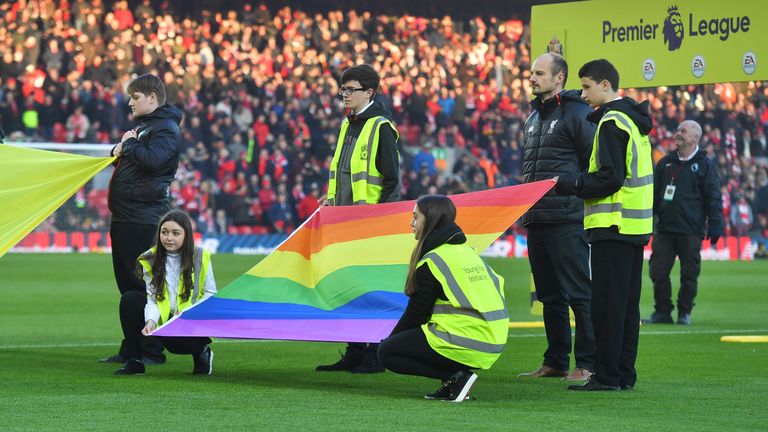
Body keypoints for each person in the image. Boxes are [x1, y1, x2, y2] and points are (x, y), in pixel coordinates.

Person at [556, 59, 654, 391]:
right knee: (626, 306)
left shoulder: (612, 122)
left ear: (605, 86)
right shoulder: (632, 121)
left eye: (586, 86)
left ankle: (608, 376)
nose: (582, 93)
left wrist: (572, 183)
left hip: (613, 224)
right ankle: (624, 373)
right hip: (634, 226)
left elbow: (609, 178)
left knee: (608, 306)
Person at [377, 195, 508, 401]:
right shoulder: (467, 252)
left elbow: (416, 313)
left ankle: (454, 378)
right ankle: (455, 381)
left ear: (429, 220)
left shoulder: (433, 260)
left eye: (415, 217)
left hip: (466, 339)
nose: (411, 223)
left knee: (387, 353)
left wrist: (390, 340)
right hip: (493, 340)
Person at [315, 64, 401, 374]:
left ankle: (376, 354)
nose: (344, 94)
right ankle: (354, 351)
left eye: (350, 89)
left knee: (371, 290)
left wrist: (386, 221)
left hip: (371, 226)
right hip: (344, 223)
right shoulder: (347, 124)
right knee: (349, 289)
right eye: (343, 89)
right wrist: (332, 199)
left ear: (369, 92)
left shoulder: (381, 127)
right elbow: (346, 175)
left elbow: (392, 180)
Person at [518, 53, 596, 381]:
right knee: (550, 296)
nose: (531, 78)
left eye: (539, 73)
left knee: (579, 294)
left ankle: (588, 363)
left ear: (559, 78)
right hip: (537, 219)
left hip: (566, 218)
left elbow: (592, 161)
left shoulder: (577, 113)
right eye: (531, 72)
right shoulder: (533, 118)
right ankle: (556, 361)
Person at [101, 73, 183, 365]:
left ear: (152, 98)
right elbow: (133, 155)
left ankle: (151, 350)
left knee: (145, 286)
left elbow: (152, 160)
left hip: (145, 218)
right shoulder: (147, 128)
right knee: (128, 287)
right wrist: (119, 148)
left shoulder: (167, 129)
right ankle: (132, 348)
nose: (130, 103)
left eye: (135, 97)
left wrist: (129, 144)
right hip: (127, 217)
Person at [114, 210, 217, 375]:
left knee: (175, 345)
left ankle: (202, 352)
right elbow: (153, 299)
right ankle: (134, 361)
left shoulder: (199, 255)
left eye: (175, 233)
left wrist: (187, 312)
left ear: (186, 235)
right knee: (130, 300)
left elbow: (210, 293)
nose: (169, 238)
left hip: (191, 317)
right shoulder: (150, 258)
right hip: (166, 317)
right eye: (164, 232)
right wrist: (150, 322)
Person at [644, 120, 723, 325]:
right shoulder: (664, 163)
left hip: (691, 230)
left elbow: (713, 196)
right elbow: (653, 195)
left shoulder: (705, 165)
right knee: (657, 272)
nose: (678, 133)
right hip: (665, 229)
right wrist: (647, 221)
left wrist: (716, 222)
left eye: (683, 131)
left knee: (689, 275)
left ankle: (684, 312)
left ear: (695, 138)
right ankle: (662, 312)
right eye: (678, 130)